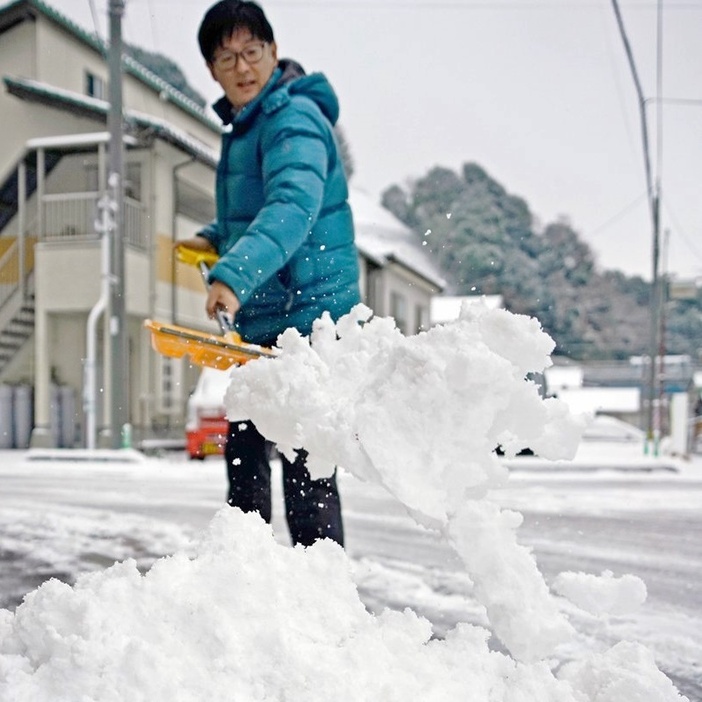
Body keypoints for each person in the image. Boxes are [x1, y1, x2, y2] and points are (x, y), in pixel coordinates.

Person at [179, 0, 361, 547]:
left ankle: (320, 594)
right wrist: (216, 238)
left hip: (306, 322)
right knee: (245, 455)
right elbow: (258, 207)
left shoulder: (293, 119)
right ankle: (250, 580)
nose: (241, 67)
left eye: (251, 51)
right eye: (226, 56)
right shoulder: (251, 125)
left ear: (274, 53)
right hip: (268, 322)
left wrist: (231, 274)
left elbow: (291, 208)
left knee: (306, 472)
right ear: (212, 69)